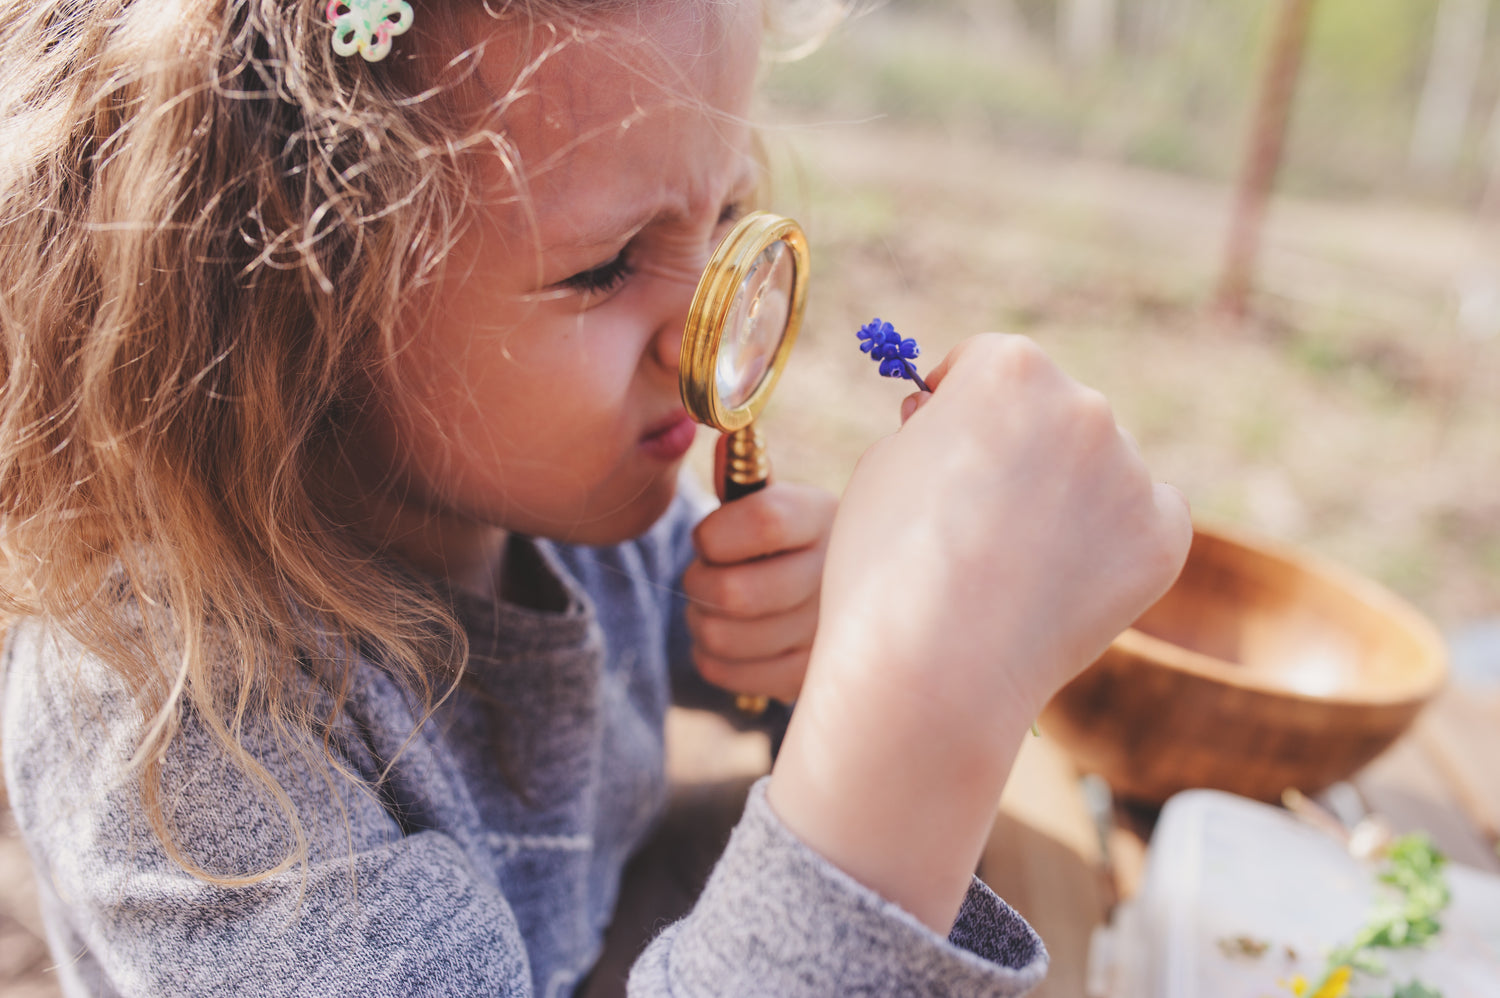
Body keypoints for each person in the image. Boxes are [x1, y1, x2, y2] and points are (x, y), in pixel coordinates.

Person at [0, 0, 1192, 995]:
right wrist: (918, 698)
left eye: (726, 217)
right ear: (287, 307)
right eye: (606, 265)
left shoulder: (568, 508)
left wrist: (820, 621)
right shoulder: (177, 728)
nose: (708, 347)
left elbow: (733, 655)